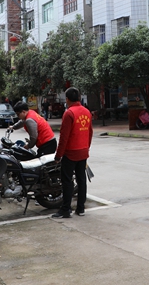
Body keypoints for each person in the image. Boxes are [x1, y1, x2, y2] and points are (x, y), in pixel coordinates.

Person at [52, 87, 93, 218]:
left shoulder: (69, 113)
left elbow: (64, 137)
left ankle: (66, 209)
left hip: (70, 153)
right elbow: (90, 133)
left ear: (67, 99)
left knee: (67, 181)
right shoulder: (87, 112)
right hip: (83, 152)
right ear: (79, 98)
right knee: (81, 180)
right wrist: (86, 148)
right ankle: (81, 208)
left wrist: (58, 155)